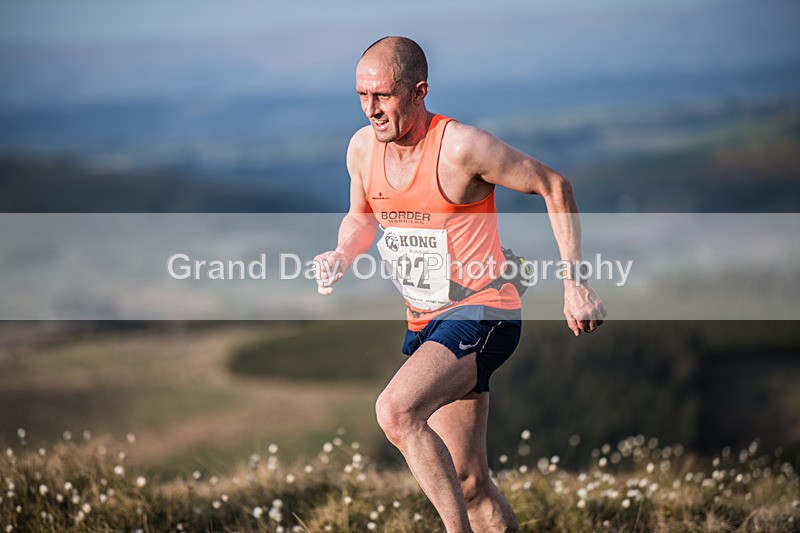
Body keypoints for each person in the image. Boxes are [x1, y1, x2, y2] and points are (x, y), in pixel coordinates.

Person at [315, 36, 607, 533]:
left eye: (382, 95)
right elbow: (360, 218)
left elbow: (554, 185)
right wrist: (343, 253)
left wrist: (574, 281)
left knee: (396, 411)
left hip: (484, 311)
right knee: (470, 482)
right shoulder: (362, 148)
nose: (371, 109)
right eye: (362, 96)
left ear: (418, 91)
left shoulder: (461, 147)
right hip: (426, 321)